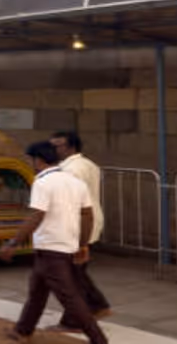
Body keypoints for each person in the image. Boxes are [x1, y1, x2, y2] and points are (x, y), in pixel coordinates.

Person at [0, 141, 107, 344]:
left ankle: (99, 340)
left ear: (38, 160)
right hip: (64, 245)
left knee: (71, 299)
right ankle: (22, 330)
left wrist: (14, 242)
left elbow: (37, 215)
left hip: (51, 247)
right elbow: (87, 215)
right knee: (37, 292)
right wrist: (82, 244)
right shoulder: (76, 182)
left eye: (30, 160)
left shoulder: (42, 183)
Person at [50, 131, 113, 331]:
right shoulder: (88, 165)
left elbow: (70, 202)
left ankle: (80, 317)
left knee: (70, 277)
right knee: (75, 273)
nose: (53, 150)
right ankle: (95, 306)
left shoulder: (70, 170)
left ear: (71, 147)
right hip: (86, 222)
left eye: (57, 146)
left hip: (76, 224)